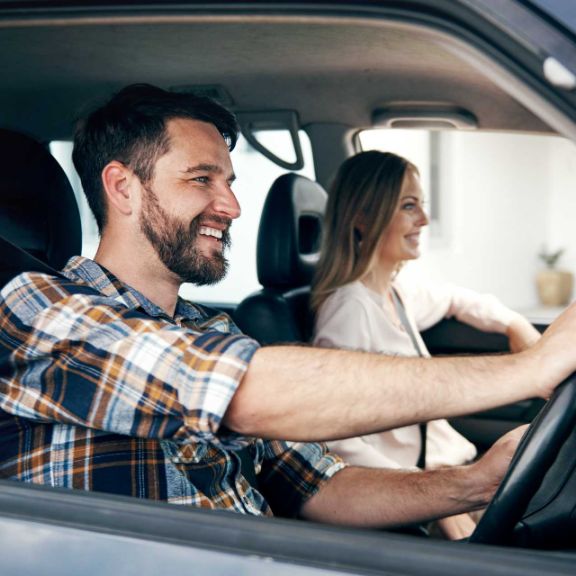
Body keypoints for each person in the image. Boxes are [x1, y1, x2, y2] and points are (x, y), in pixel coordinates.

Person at [0, 84, 575, 533]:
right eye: (202, 179)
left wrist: (475, 482)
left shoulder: (208, 328)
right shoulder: (36, 312)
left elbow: (319, 489)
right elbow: (239, 388)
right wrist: (526, 368)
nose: (230, 204)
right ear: (122, 188)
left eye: (228, 180)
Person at [311, 151, 542, 538]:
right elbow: (336, 439)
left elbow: (456, 299)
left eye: (422, 205)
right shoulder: (350, 309)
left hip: (454, 478)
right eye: (408, 206)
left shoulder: (394, 292)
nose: (423, 219)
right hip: (421, 499)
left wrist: (514, 324)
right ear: (363, 218)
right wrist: (430, 495)